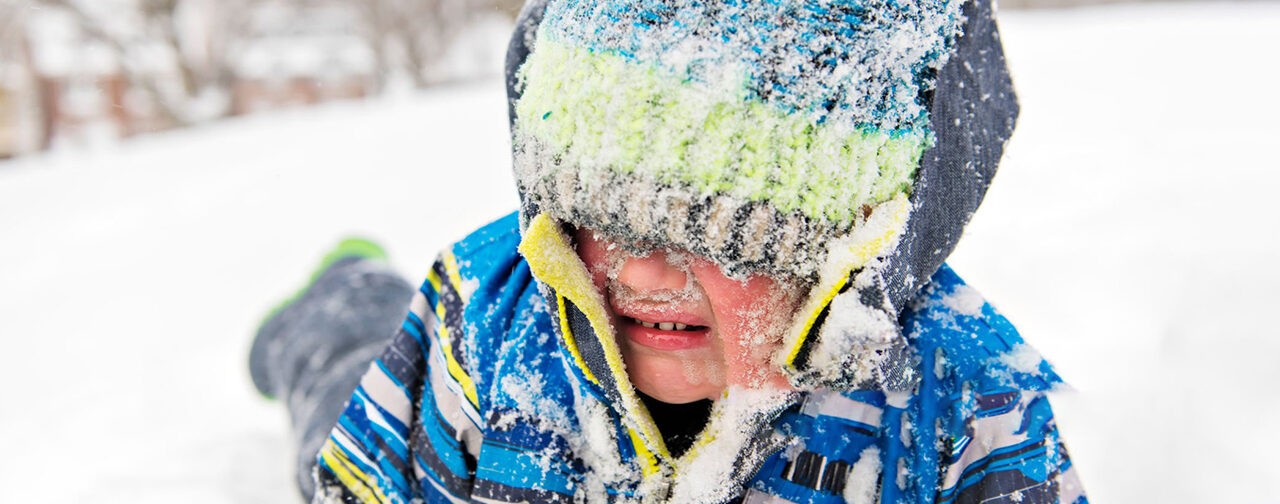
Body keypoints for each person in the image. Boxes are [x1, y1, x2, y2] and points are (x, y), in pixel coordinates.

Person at [249, 0, 1088, 502]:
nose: (642, 272)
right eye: (598, 214)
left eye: (718, 236)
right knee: (339, 369)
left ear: (851, 251)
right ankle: (346, 295)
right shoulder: (488, 312)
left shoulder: (962, 402)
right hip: (406, 401)